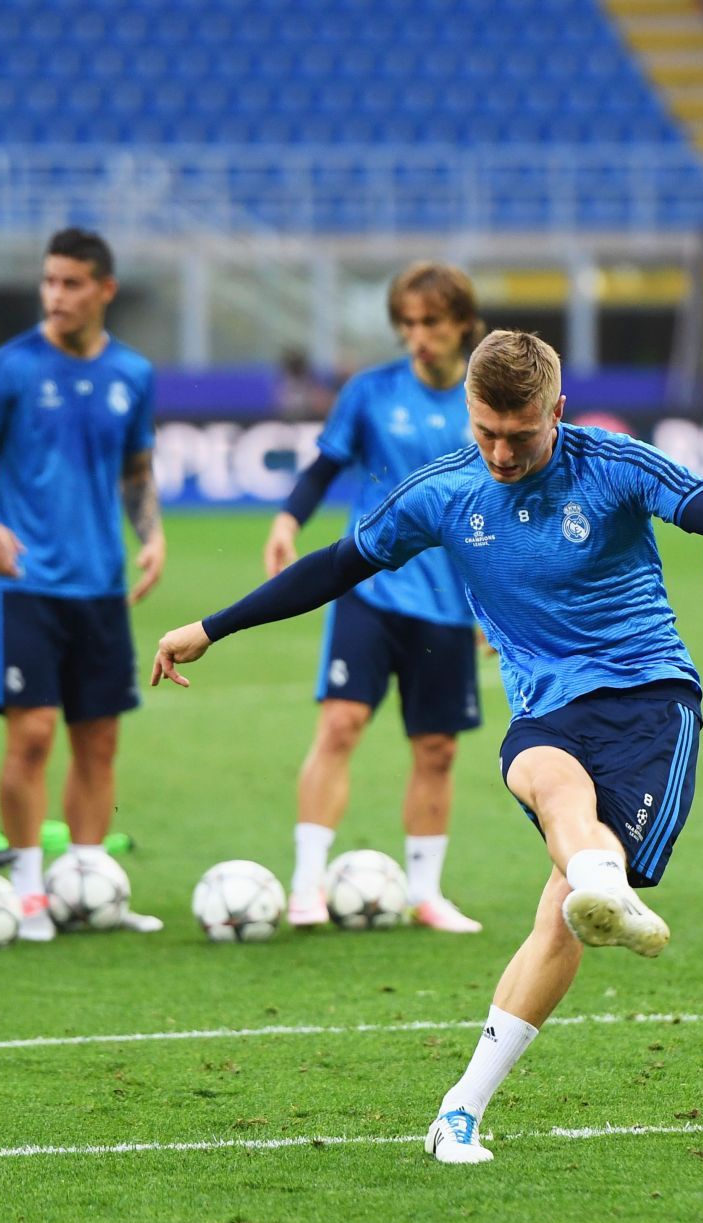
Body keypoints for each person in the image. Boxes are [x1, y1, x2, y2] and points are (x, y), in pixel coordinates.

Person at [153, 330, 703, 1164]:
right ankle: (593, 891)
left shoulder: (615, 464)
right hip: (546, 707)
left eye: (521, 434)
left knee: (559, 916)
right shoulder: (444, 491)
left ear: (557, 410)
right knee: (548, 787)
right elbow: (334, 567)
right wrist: (210, 627)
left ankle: (462, 1102)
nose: (501, 452)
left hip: (649, 701)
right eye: (485, 432)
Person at [0, 228, 166, 941]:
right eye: (49, 282)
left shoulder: (132, 372)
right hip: (26, 584)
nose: (57, 296)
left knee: (99, 742)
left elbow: (135, 469)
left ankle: (88, 881)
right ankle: (31, 890)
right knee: (32, 736)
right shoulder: (8, 368)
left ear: (105, 289)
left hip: (100, 586)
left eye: (72, 283)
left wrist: (152, 536)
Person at [261, 263, 487, 933]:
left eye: (432, 324)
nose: (417, 337)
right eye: (408, 324)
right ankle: (307, 884)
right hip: (370, 588)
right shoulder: (370, 392)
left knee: (438, 748)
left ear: (464, 327)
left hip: (450, 602)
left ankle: (425, 892)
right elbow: (323, 467)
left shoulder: (486, 402)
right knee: (340, 725)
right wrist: (286, 521)